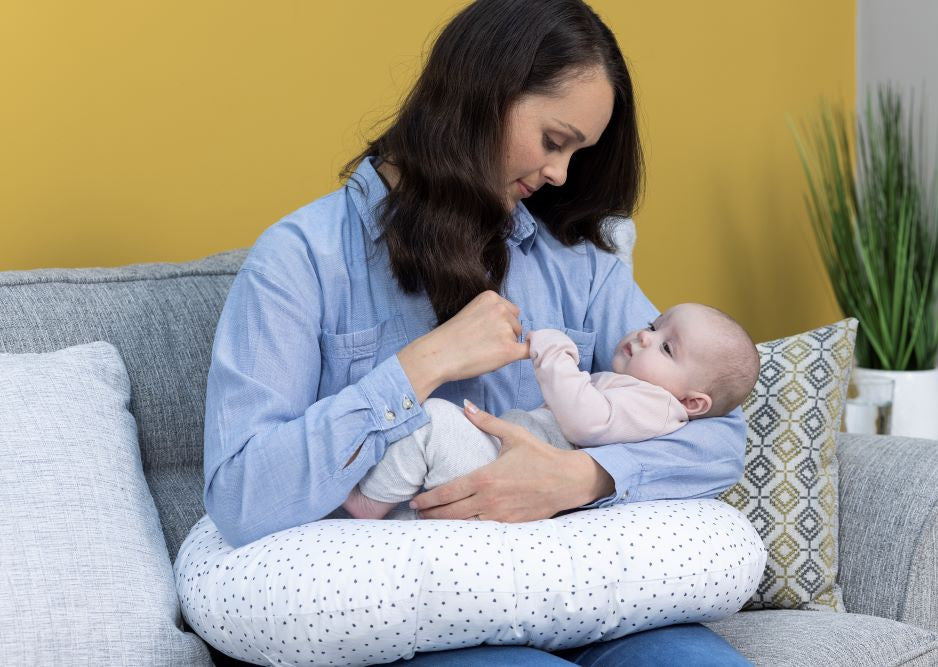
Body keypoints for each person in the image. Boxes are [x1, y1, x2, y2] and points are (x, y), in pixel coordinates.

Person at [201, 0, 754, 663]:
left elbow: (718, 430)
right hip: (415, 616)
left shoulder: (577, 262)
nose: (560, 175)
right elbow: (238, 495)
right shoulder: (303, 260)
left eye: (578, 152)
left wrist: (582, 476)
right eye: (554, 141)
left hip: (575, 599)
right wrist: (419, 365)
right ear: (483, 96)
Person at [343, 303, 761, 520]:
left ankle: (367, 503)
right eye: (653, 326)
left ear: (692, 403)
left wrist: (556, 354)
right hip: (501, 458)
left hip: (506, 466)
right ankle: (386, 511)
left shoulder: (657, 404)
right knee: (432, 454)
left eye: (667, 347)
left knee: (433, 421)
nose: (645, 337)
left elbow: (587, 420)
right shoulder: (644, 393)